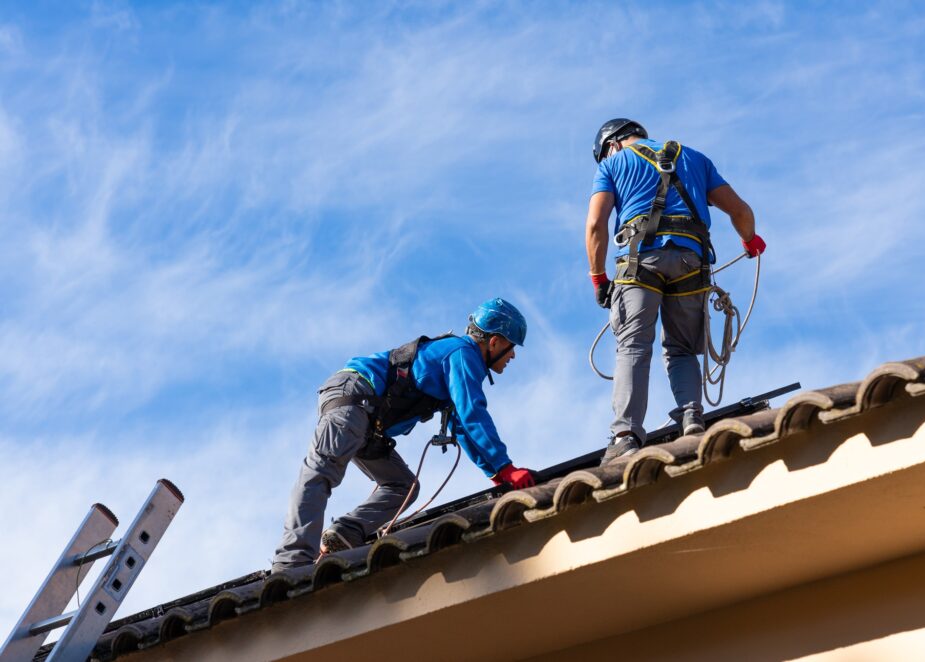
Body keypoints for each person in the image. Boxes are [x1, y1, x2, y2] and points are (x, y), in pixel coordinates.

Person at [272, 298, 536, 572]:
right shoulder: (462, 353)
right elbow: (473, 413)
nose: (513, 355)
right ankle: (292, 563)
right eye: (511, 347)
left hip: (368, 422)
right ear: (494, 342)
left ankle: (347, 533)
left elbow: (463, 426)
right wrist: (506, 467)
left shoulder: (457, 358)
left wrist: (496, 473)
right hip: (354, 399)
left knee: (402, 485)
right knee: (320, 472)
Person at [585, 119, 766, 464]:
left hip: (640, 263)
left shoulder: (613, 164)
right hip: (691, 263)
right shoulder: (695, 158)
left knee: (633, 345)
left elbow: (596, 225)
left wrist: (598, 278)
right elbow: (740, 210)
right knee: (682, 349)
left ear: (612, 145)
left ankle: (625, 436)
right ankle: (691, 418)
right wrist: (750, 239)